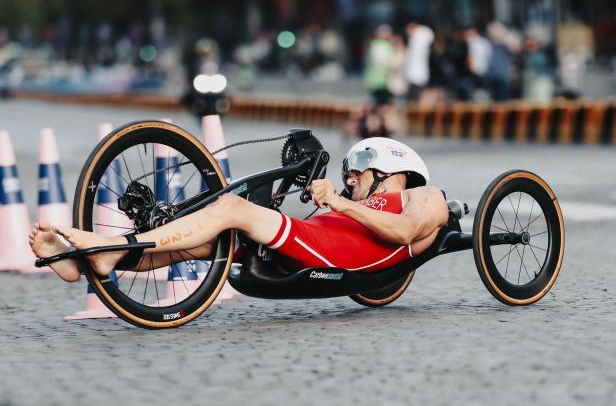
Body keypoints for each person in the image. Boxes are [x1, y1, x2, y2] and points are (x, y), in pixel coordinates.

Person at [30, 138, 449, 282]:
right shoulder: (357, 204)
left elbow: (405, 233)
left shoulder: (425, 196)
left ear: (385, 168)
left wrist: (338, 202)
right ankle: (90, 265)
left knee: (232, 206)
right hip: (315, 241)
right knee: (201, 244)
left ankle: (111, 244)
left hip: (335, 251)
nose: (349, 180)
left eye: (355, 173)